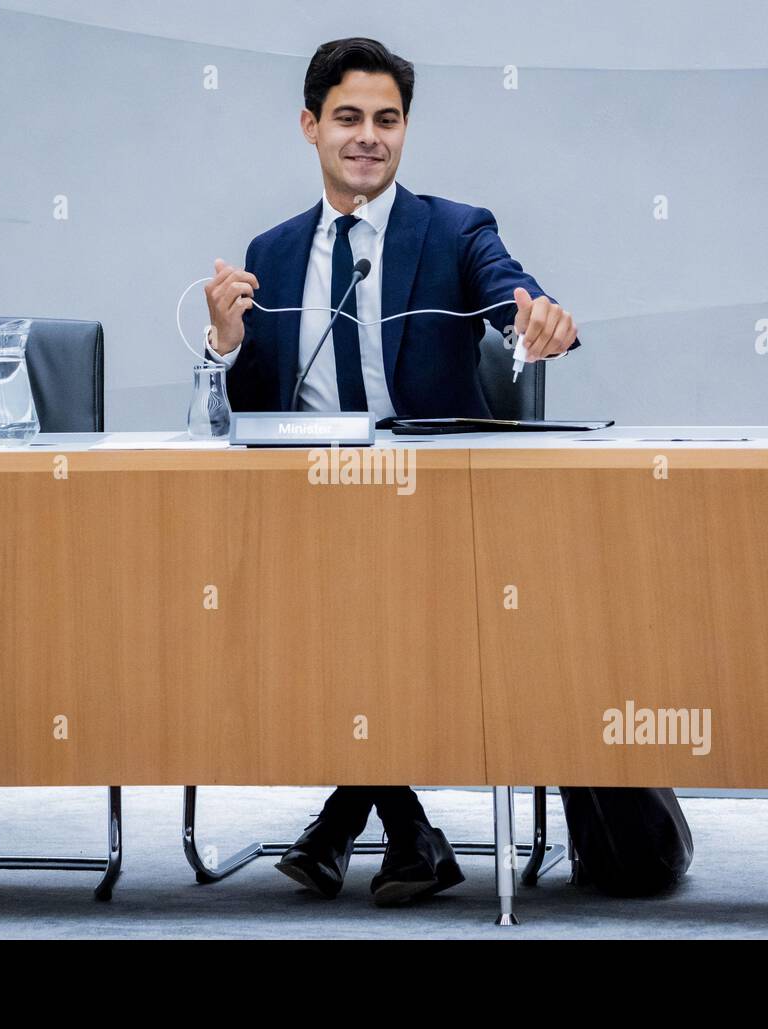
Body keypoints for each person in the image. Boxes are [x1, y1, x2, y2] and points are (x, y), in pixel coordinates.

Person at [204, 37, 690, 905]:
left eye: (387, 120)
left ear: (405, 132)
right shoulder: (271, 255)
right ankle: (403, 832)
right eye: (348, 118)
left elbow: (514, 291)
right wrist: (227, 344)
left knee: (363, 603)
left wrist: (540, 319)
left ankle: (352, 824)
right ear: (310, 126)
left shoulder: (457, 230)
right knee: (302, 589)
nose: (368, 137)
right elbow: (248, 410)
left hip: (435, 521)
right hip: (308, 518)